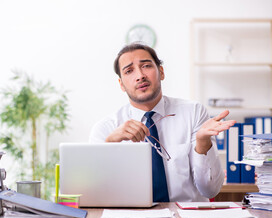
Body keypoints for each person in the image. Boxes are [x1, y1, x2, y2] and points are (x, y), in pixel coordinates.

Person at [89, 43, 236, 202]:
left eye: (146, 66)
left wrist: (202, 142)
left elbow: (210, 190)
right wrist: (109, 144)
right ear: (121, 85)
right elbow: (95, 195)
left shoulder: (193, 112)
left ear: (161, 72)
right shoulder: (105, 129)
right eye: (129, 71)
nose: (140, 75)